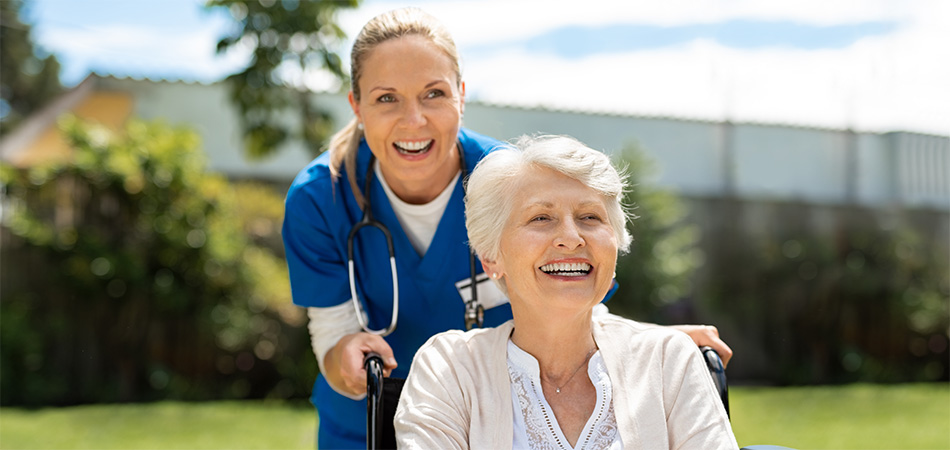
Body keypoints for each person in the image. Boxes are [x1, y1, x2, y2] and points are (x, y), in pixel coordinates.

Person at [282, 7, 732, 449]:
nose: (414, 119)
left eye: (434, 94)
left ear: (461, 93)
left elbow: (570, 286)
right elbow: (332, 326)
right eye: (386, 98)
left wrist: (647, 350)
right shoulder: (320, 199)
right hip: (367, 417)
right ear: (356, 105)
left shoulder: (513, 183)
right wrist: (341, 356)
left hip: (502, 408)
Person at [394, 135, 739, 449]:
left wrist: (650, 345)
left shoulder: (667, 360)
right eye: (541, 218)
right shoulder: (449, 368)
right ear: (490, 258)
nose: (572, 238)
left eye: (590, 217)